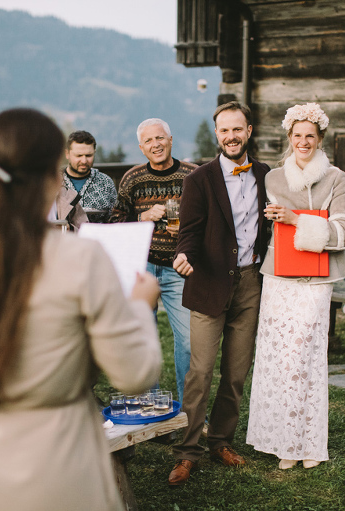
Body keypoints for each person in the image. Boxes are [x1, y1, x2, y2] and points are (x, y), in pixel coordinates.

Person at [0, 108, 162, 510]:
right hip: (57, 464)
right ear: (50, 179)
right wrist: (138, 308)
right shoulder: (80, 258)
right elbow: (134, 374)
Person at [246, 103, 345, 470]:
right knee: (279, 357)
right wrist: (275, 220)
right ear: (289, 138)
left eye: (310, 135)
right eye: (297, 136)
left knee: (306, 355)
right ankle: (282, 442)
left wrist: (297, 219)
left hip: (317, 277)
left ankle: (309, 442)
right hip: (280, 275)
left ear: (320, 138)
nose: (303, 141)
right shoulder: (274, 178)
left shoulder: (337, 177)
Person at [169, 101, 269, 486]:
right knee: (201, 371)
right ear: (217, 135)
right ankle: (188, 451)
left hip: (249, 284)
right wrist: (183, 255)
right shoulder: (199, 179)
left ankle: (221, 441)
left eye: (237, 129)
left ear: (248, 131)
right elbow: (189, 230)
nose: (231, 136)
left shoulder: (265, 174)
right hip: (208, 281)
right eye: (224, 130)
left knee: (236, 373)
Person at [109, 118, 196, 404]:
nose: (155, 144)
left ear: (171, 140)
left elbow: (208, 220)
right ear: (141, 147)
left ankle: (190, 414)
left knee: (187, 342)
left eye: (160, 138)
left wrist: (183, 227)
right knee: (142, 340)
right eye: (149, 141)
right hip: (141, 268)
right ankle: (150, 407)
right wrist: (141, 218)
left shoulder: (193, 176)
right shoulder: (133, 178)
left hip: (178, 268)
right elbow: (114, 220)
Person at [61, 130, 116, 223]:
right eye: (79, 156)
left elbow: (115, 219)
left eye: (88, 155)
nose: (84, 161)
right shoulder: (53, 181)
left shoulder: (106, 183)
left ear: (94, 152)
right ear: (67, 154)